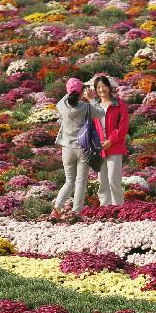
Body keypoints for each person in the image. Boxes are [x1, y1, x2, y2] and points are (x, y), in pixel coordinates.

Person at [52, 78, 105, 217]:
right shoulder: (86, 107)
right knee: (81, 181)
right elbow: (101, 113)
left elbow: (66, 98)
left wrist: (74, 90)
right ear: (81, 92)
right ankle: (76, 213)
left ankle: (56, 209)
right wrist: (92, 98)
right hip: (83, 148)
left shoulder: (62, 105)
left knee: (69, 182)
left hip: (67, 149)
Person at [90, 75, 129, 206]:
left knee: (114, 179)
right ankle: (105, 207)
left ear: (109, 87)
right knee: (102, 180)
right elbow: (91, 127)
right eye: (98, 87)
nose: (102, 90)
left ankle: (118, 206)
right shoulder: (95, 107)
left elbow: (122, 127)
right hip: (99, 147)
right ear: (96, 90)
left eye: (104, 86)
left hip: (115, 146)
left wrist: (110, 141)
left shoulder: (119, 104)